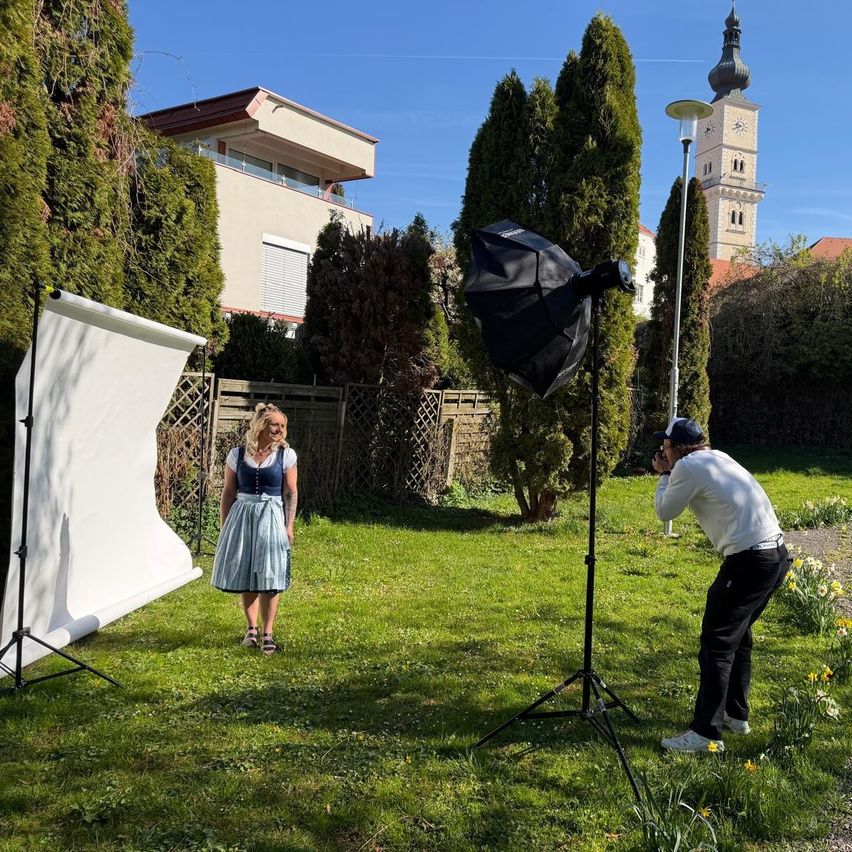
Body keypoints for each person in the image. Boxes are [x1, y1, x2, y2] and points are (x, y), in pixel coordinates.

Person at [651, 416, 790, 753]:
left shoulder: (686, 468)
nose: (662, 452)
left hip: (749, 562)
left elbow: (665, 511)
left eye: (665, 446)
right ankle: (735, 715)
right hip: (776, 554)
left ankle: (705, 734)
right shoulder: (720, 456)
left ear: (679, 448)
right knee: (738, 636)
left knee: (716, 643)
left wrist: (665, 474)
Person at [211, 403, 298, 656]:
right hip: (243, 513)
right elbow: (228, 492)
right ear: (261, 425)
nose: (280, 430)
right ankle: (251, 629)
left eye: (283, 426)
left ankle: (268, 632)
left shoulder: (285, 456)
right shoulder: (237, 455)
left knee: (270, 573)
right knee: (247, 571)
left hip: (271, 514)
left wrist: (288, 526)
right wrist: (225, 525)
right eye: (275, 425)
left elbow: (291, 492)